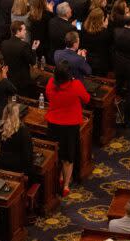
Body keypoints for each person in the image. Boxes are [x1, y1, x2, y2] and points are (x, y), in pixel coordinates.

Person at [46, 61, 89, 195]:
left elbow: (48, 96)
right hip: (70, 126)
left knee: (57, 153)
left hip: (53, 124)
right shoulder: (75, 85)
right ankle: (65, 185)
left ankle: (59, 177)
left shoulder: (50, 83)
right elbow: (86, 99)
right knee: (68, 158)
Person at [1, 21, 38, 97]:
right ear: (18, 31)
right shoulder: (24, 45)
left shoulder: (4, 43)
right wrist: (34, 49)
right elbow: (32, 61)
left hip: (9, 77)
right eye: (24, 30)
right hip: (22, 80)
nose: (25, 32)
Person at [0, 102, 34, 173]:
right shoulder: (23, 130)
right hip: (18, 167)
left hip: (3, 163)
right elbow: (27, 154)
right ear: (17, 115)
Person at [81, 8, 111, 77]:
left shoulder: (84, 28)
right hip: (101, 63)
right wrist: (105, 27)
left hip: (88, 59)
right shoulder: (105, 33)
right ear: (100, 19)